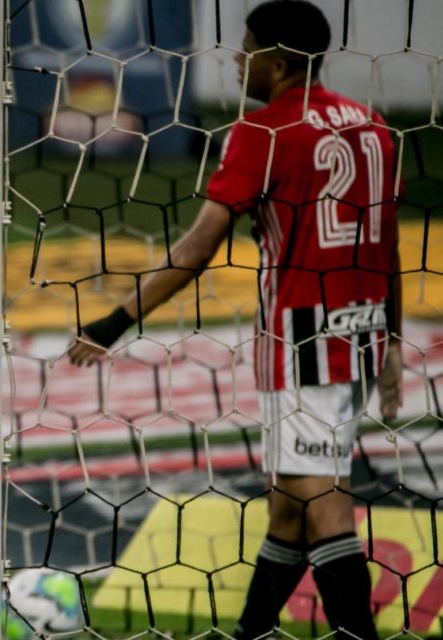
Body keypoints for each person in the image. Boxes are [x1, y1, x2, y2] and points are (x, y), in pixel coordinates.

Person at [67, 2, 402, 639]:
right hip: (360, 332)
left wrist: (112, 322)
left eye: (246, 49)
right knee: (288, 508)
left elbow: (196, 251)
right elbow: (386, 245)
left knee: (325, 510)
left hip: (305, 340)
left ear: (277, 63)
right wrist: (391, 341)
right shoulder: (374, 125)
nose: (236, 58)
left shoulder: (264, 131)